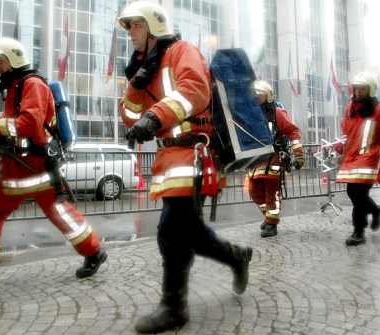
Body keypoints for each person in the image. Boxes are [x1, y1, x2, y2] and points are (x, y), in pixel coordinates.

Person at [116, 2, 252, 333]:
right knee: (191, 232)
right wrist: (136, 84)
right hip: (169, 159)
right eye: (128, 26)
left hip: (193, 155)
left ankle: (174, 307)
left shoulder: (181, 50)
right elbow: (130, 117)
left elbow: (195, 90)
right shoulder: (145, 68)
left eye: (135, 25)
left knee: (171, 231)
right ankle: (237, 256)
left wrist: (155, 116)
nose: (130, 31)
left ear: (152, 26)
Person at [0, 38, 107, 288]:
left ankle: (94, 252)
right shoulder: (15, 88)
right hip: (16, 167)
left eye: (1, 60)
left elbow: (29, 124)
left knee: (61, 215)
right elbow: (10, 124)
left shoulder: (32, 84)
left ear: (14, 59)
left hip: (36, 166)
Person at [335, 72, 380, 246]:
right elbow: (345, 131)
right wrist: (339, 146)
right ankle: (376, 210)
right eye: (355, 88)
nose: (358, 92)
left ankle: (359, 231)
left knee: (359, 194)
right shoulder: (350, 107)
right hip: (352, 157)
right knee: (352, 193)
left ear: (371, 89)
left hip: (369, 158)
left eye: (362, 89)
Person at [247, 81, 304, 238]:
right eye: (255, 94)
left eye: (260, 94)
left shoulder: (277, 113)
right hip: (256, 160)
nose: (257, 97)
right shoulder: (249, 113)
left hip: (274, 159)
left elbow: (293, 131)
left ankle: (272, 224)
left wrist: (298, 154)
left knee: (272, 193)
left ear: (268, 96)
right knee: (254, 191)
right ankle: (270, 217)